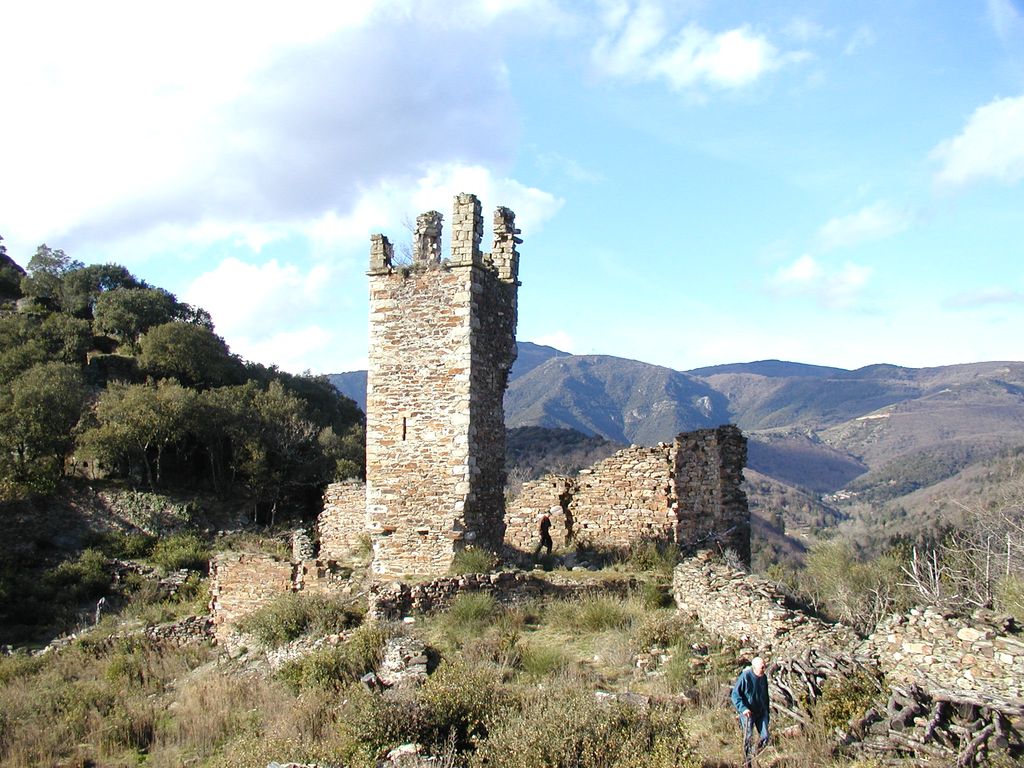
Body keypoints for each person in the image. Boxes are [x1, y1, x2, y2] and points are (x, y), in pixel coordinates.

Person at [731, 656, 770, 767]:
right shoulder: (745, 677)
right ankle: (747, 763)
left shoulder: (764, 678)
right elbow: (735, 695)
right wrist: (743, 708)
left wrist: (767, 712)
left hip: (761, 712)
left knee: (765, 737)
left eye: (764, 667)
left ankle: (753, 754)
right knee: (748, 738)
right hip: (748, 713)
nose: (764, 669)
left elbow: (766, 697)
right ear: (754, 667)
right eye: (762, 667)